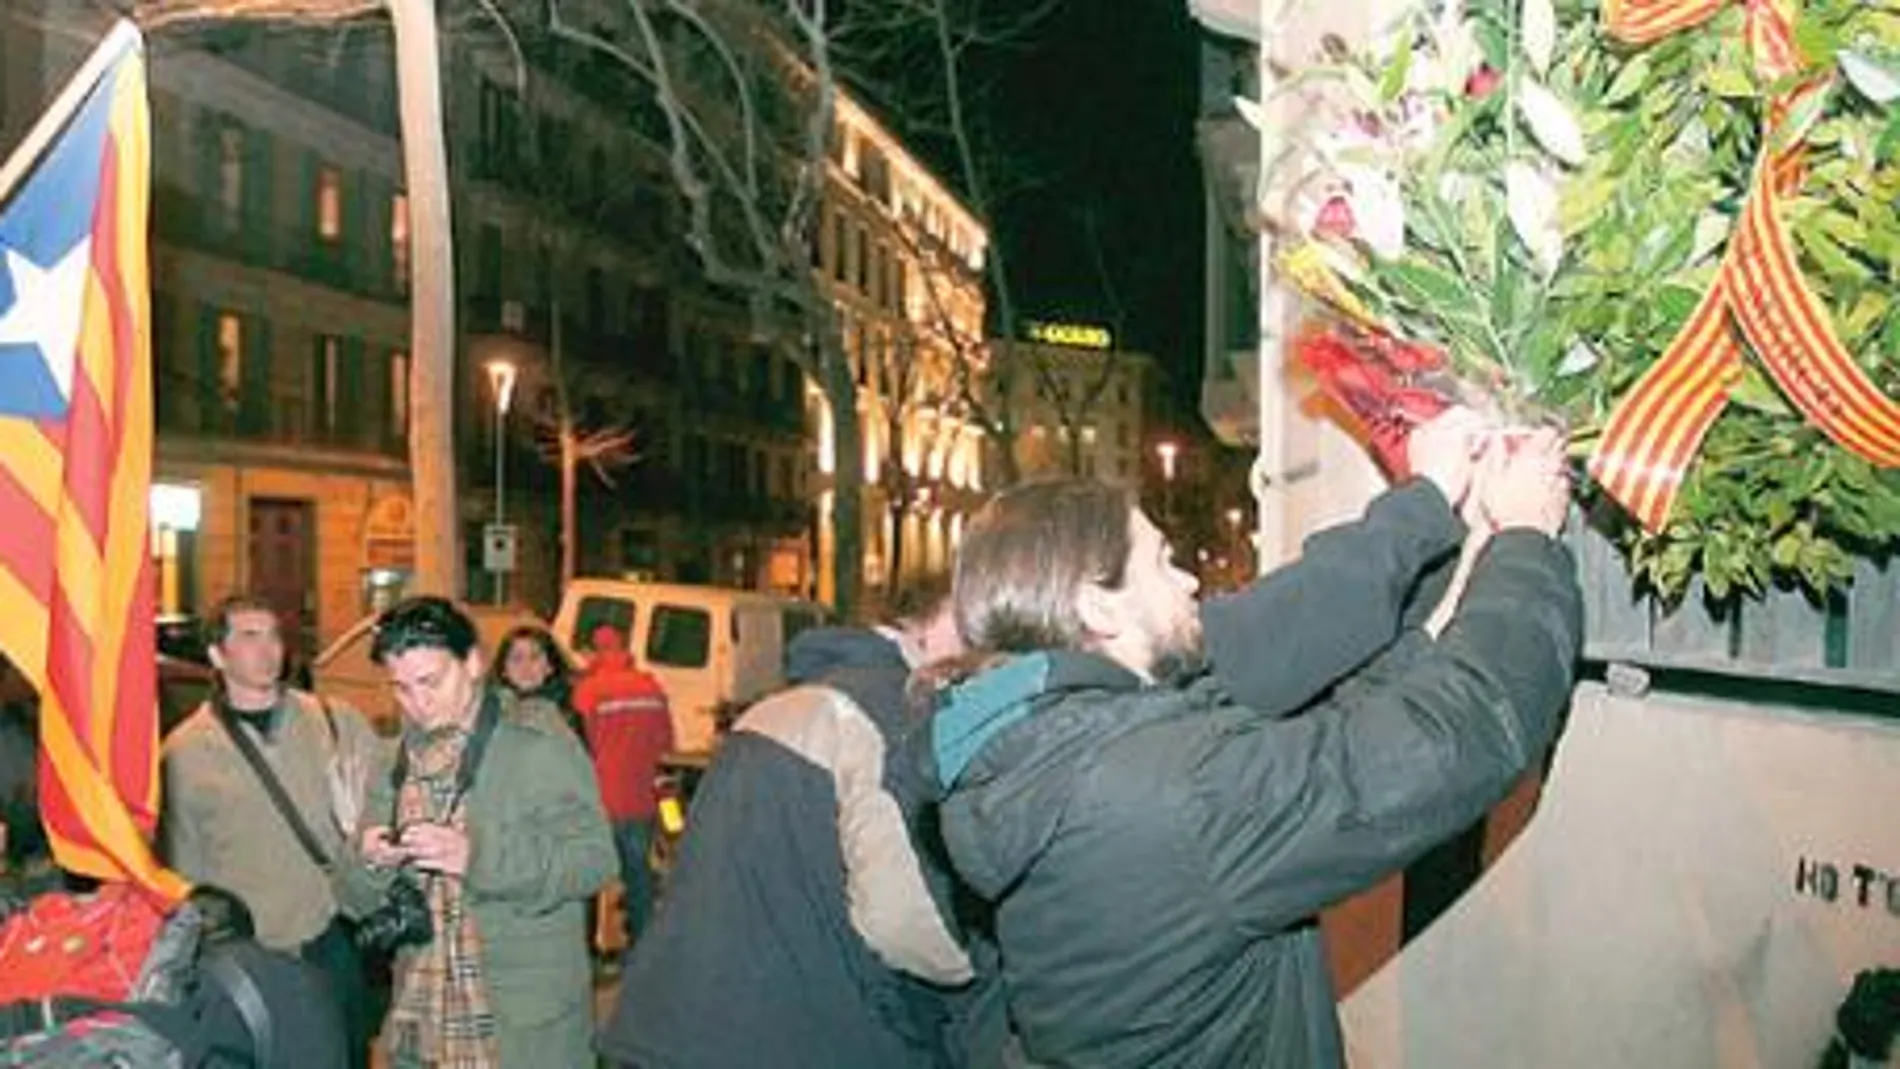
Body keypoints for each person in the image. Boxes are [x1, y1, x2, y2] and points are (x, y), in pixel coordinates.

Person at [924, 420, 1583, 1067]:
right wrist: (1527, 537)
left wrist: (1455, 592)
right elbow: (1456, 734)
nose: (1188, 581)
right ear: (1101, 609)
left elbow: (1327, 735)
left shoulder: (1055, 749)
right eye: (1161, 561)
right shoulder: (1165, 792)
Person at [598, 576, 973, 1069]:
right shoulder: (891, 713)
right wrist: (976, 969)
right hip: (796, 1033)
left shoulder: (777, 705)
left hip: (675, 1023)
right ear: (937, 620)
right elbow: (902, 921)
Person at [336, 596, 614, 1069]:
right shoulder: (390, 760)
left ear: (473, 663)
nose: (417, 704)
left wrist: (477, 857)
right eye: (400, 688)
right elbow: (351, 900)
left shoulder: (538, 744)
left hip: (519, 1024)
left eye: (430, 682)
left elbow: (594, 861)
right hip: (420, 1017)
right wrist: (369, 862)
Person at [161, 594, 382, 1068]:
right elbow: (182, 874)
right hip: (252, 956)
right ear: (218, 656)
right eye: (249, 636)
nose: (269, 649)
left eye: (275, 635)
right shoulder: (183, 753)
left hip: (331, 938)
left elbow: (385, 807)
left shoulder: (333, 722)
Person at [570, 625, 673, 948]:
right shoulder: (651, 687)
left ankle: (588, 950)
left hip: (598, 799)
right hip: (641, 799)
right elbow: (666, 743)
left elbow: (577, 747)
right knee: (638, 876)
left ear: (593, 651)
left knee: (587, 880)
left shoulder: (588, 691)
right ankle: (642, 948)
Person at [491, 626, 582, 744]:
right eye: (517, 659)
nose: (526, 667)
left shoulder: (566, 711)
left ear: (550, 666)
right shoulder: (491, 711)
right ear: (503, 670)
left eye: (534, 657)